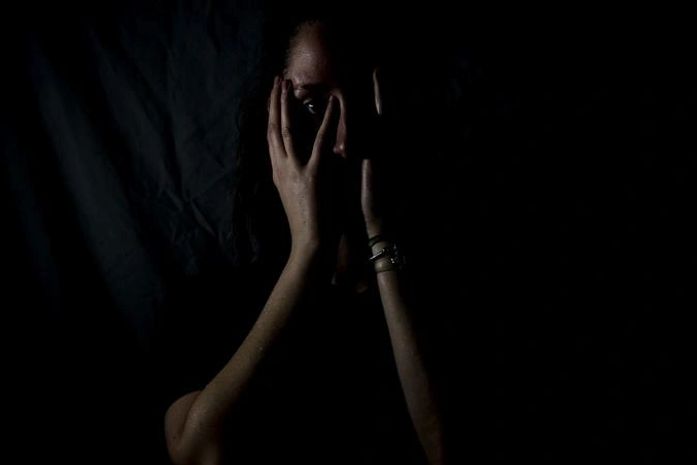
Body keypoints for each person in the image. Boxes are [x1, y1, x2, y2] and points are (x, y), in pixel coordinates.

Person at [160, 10, 447, 465]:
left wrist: (379, 231)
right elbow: (197, 451)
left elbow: (446, 449)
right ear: (273, 122)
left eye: (362, 101)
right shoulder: (214, 304)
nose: (344, 140)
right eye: (313, 106)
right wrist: (309, 252)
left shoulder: (446, 289)